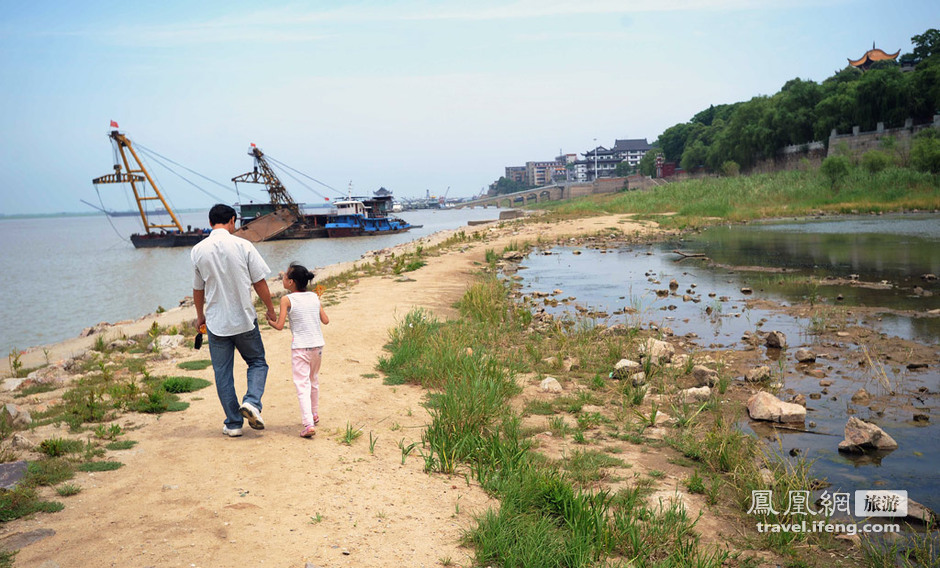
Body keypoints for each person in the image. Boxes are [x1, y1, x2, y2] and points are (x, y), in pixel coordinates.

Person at [191, 204, 277, 437]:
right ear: (232, 220)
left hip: (217, 324)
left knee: (222, 373)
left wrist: (200, 317)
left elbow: (198, 289)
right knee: (257, 362)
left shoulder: (198, 250)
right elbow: (259, 282)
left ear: (210, 223)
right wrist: (270, 309)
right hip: (244, 320)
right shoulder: (243, 245)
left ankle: (233, 423)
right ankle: (251, 402)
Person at [267, 263, 330, 438]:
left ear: (291, 282)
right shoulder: (314, 297)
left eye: (285, 276)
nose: (283, 278)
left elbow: (279, 326)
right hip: (317, 346)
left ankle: (308, 423)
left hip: (300, 348)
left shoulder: (287, 300)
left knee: (302, 385)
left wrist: (269, 321)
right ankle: (314, 414)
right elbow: (325, 320)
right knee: (313, 380)